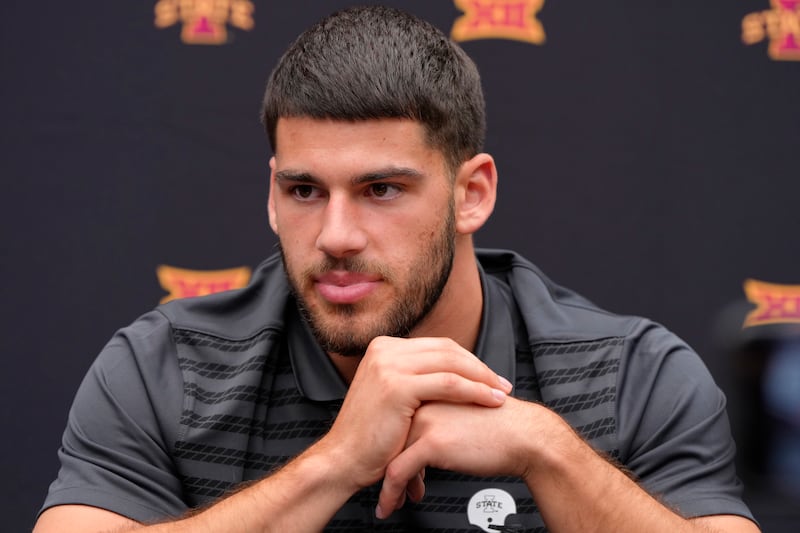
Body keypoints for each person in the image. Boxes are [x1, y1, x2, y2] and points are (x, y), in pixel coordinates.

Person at [34, 5, 759, 532]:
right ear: (272, 194)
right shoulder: (166, 367)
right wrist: (335, 462)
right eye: (304, 190)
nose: (336, 235)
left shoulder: (631, 374)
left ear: (471, 194)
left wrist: (548, 452)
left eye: (381, 189)